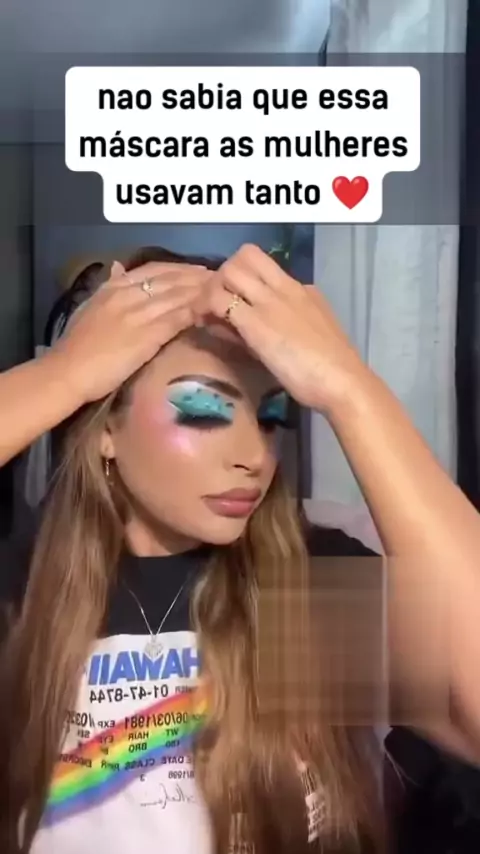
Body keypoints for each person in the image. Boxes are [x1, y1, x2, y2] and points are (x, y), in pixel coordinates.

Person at [1, 244, 480, 854]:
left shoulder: (301, 592)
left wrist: (350, 389)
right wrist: (61, 376)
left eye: (271, 416)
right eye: (204, 410)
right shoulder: (26, 595)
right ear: (106, 430)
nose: (254, 455)